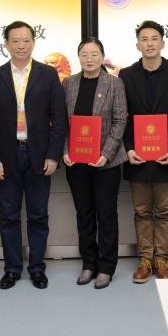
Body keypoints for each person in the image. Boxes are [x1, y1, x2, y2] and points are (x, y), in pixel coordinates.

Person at [0, 21, 67, 290]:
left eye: (26, 40)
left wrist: (53, 155)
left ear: (33, 43)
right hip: (7, 157)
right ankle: (12, 269)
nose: (21, 45)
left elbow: (59, 118)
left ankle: (37, 268)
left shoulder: (48, 75)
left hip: (39, 156)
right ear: (6, 44)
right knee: (8, 216)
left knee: (38, 215)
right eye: (15, 41)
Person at [119, 20, 168, 283]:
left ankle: (161, 259)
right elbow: (123, 117)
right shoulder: (126, 75)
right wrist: (128, 148)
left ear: (162, 42)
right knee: (141, 211)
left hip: (166, 156)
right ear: (138, 45)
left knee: (163, 211)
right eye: (144, 39)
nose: (149, 43)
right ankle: (145, 259)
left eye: (154, 38)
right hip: (137, 156)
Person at [62, 37, 127, 290]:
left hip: (105, 162)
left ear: (102, 57)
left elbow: (120, 121)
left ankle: (106, 267)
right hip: (77, 162)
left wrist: (107, 153)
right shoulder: (69, 83)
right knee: (84, 214)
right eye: (84, 54)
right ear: (78, 57)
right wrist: (65, 150)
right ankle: (88, 263)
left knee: (106, 214)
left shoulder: (114, 83)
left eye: (94, 54)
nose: (89, 59)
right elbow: (61, 121)